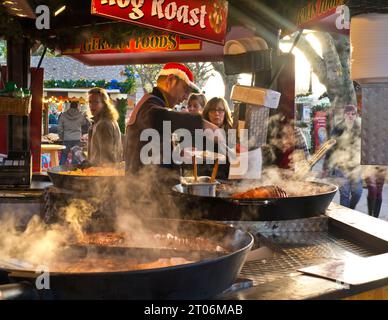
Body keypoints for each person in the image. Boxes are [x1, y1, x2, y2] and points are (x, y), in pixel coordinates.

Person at [125, 62, 222, 178]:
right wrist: (201, 123)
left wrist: (176, 152)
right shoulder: (150, 105)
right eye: (185, 90)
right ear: (170, 80)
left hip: (151, 186)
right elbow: (158, 117)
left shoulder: (154, 103)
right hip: (142, 189)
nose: (186, 97)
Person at [323, 105, 362, 209]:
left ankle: (351, 208)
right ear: (344, 115)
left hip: (355, 166)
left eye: (353, 114)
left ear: (356, 115)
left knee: (358, 192)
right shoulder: (338, 128)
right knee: (344, 194)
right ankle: (345, 215)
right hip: (340, 166)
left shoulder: (360, 128)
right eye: (348, 114)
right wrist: (326, 165)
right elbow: (330, 147)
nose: (350, 116)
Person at [87, 87, 123, 166]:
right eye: (90, 102)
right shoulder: (107, 121)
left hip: (102, 174)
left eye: (96, 102)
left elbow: (107, 158)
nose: (91, 105)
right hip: (103, 172)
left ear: (104, 104)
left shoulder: (103, 124)